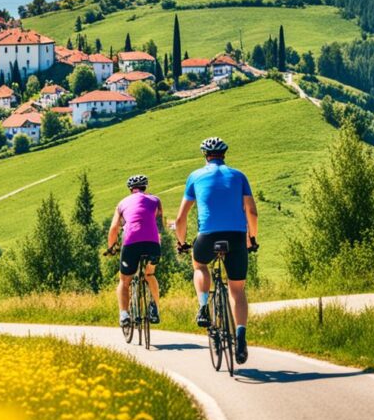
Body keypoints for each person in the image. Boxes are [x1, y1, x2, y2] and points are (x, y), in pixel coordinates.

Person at [174, 137, 259, 364]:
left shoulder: (195, 176)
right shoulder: (239, 176)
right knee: (237, 290)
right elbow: (251, 212)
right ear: (224, 155)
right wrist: (252, 237)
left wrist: (181, 243)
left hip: (208, 236)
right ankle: (240, 334)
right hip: (236, 237)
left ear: (205, 156)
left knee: (199, 264)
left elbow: (181, 218)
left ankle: (203, 307)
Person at [106, 174, 165, 328]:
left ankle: (124, 315)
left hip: (131, 243)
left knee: (124, 281)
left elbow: (113, 228)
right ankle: (155, 308)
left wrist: (111, 248)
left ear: (130, 189)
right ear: (145, 188)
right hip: (152, 244)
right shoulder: (155, 200)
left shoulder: (122, 203)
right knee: (150, 274)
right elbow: (160, 225)